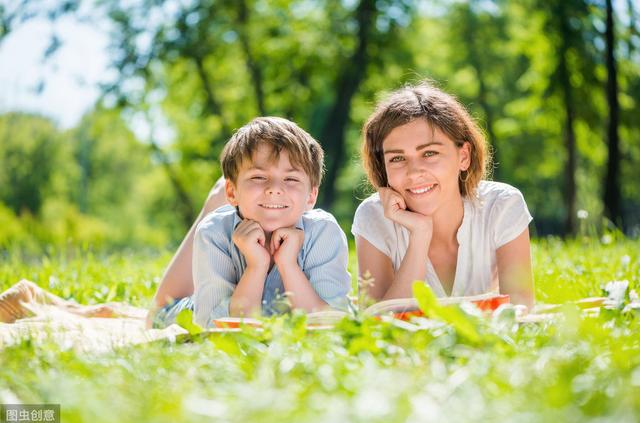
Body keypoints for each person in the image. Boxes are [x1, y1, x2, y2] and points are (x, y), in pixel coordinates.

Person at [150, 117, 351, 328]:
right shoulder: (214, 232)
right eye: (258, 177)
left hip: (273, 309)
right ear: (232, 191)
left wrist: (289, 265)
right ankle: (217, 200)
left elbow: (330, 325)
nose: (275, 188)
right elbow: (214, 329)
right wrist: (256, 266)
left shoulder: (323, 231)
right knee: (157, 314)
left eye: (291, 179)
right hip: (196, 309)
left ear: (311, 196)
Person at [352, 82, 534, 308]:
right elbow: (376, 324)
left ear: (463, 156)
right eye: (397, 158)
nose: (414, 172)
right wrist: (420, 234)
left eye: (429, 153)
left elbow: (520, 312)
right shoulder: (373, 217)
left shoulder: (502, 206)